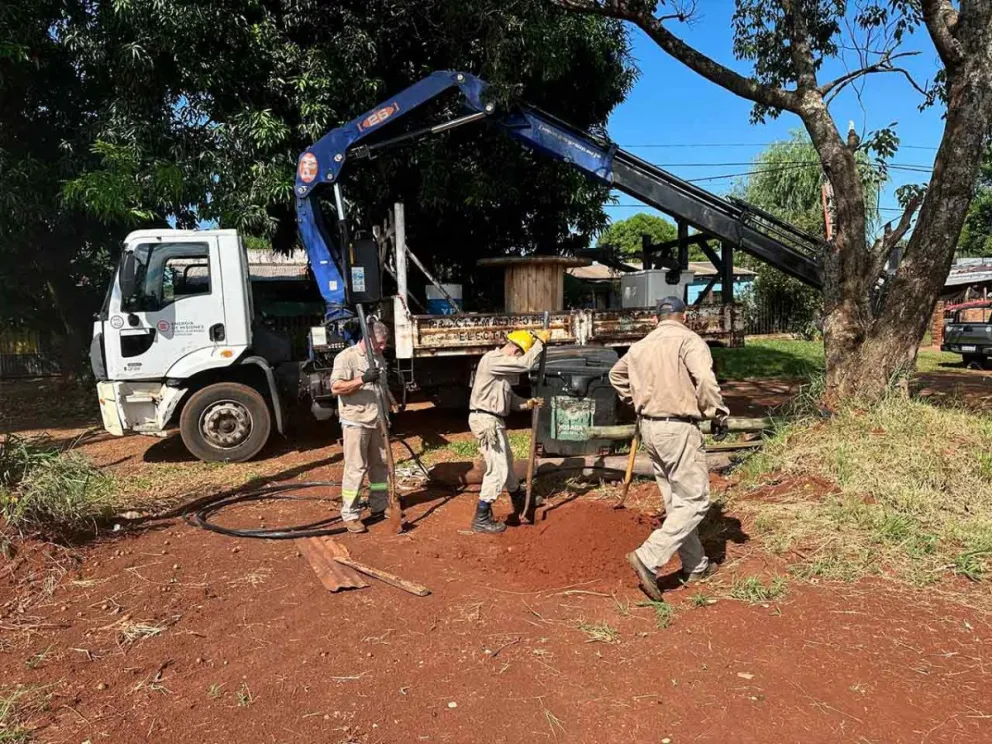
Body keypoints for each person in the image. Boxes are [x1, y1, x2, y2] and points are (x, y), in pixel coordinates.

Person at [609, 296, 730, 600]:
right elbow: (704, 377)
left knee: (677, 503)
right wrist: (716, 412)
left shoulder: (640, 346)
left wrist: (635, 400)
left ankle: (696, 565)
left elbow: (616, 375)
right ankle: (649, 557)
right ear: (684, 316)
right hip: (678, 428)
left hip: (649, 427)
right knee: (697, 501)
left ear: (655, 319)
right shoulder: (689, 341)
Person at [467, 328, 551, 533]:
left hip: (493, 420)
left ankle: (519, 497)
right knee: (497, 468)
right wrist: (540, 343)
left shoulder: (500, 371)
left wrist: (528, 403)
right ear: (515, 350)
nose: (519, 358)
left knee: (507, 462)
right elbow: (525, 364)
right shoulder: (492, 359)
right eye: (521, 354)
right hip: (485, 420)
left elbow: (510, 400)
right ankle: (481, 517)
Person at [330, 320, 391, 534]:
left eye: (385, 343)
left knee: (380, 466)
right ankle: (351, 514)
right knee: (356, 468)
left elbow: (382, 387)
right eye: (381, 343)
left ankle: (379, 505)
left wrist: (389, 408)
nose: (383, 347)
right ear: (369, 338)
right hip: (356, 422)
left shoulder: (378, 358)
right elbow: (336, 387)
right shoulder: (346, 357)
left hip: (378, 421)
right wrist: (362, 379)